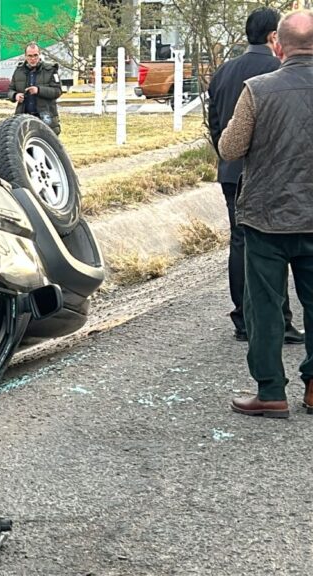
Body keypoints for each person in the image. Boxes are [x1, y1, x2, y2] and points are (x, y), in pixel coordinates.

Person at [220, 9, 313, 418]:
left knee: (264, 306)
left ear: (278, 44)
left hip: (266, 217)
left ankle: (271, 391)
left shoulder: (257, 89)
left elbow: (231, 149)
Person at [208, 7, 304, 345]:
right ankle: (281, 320)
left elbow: (216, 125)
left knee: (240, 242)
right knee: (278, 244)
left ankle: (243, 319)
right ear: (273, 36)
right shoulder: (282, 70)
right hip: (275, 172)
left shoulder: (223, 71)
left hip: (232, 171)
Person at [7, 42, 63, 135]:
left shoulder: (50, 70)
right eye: (30, 56)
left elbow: (57, 91)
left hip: (46, 116)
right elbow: (10, 90)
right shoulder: (18, 71)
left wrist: (39, 90)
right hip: (24, 116)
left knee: (47, 144)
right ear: (25, 56)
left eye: (35, 55)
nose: (33, 59)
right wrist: (15, 96)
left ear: (39, 55)